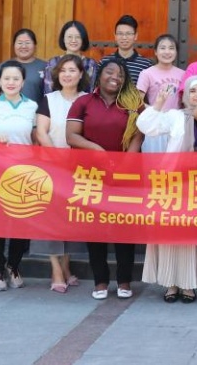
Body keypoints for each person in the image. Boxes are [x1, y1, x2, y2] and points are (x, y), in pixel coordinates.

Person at [66, 59, 144, 300]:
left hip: (125, 173)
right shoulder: (83, 102)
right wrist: (97, 150)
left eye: (120, 74)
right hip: (92, 175)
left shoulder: (133, 103)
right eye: (110, 72)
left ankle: (124, 280)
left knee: (125, 227)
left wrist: (128, 160)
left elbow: (140, 132)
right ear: (99, 75)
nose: (115, 77)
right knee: (95, 228)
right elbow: (72, 136)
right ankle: (100, 280)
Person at [137, 76, 197, 303]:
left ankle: (188, 284)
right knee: (169, 233)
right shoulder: (175, 116)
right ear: (184, 95)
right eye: (193, 90)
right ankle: (170, 283)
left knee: (191, 235)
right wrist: (159, 103)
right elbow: (146, 126)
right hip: (172, 182)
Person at [0, 61, 38, 292]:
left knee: (21, 221)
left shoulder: (31, 106)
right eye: (6, 79)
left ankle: (14, 266)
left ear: (23, 82)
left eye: (16, 79)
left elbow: (35, 139)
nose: (11, 82)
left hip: (24, 172)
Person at [33, 53, 89, 293]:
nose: (67, 74)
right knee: (52, 220)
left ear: (81, 74)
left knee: (71, 220)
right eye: (63, 70)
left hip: (79, 169)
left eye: (72, 70)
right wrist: (57, 157)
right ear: (57, 75)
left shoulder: (88, 99)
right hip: (52, 166)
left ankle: (66, 266)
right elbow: (41, 132)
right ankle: (55, 269)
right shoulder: (49, 99)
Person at [0, 28, 46, 102]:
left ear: (35, 45)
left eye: (27, 43)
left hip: (34, 109)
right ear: (14, 45)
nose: (24, 46)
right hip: (7, 108)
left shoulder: (45, 67)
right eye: (20, 43)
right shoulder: (4, 66)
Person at [43, 21, 98, 94]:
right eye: (69, 37)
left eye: (78, 37)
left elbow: (92, 90)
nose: (73, 40)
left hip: (84, 101)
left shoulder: (90, 64)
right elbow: (48, 90)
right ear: (63, 39)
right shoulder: (54, 63)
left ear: (83, 39)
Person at [100, 14, 153, 86]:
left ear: (135, 36)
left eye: (128, 34)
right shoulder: (104, 62)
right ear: (115, 36)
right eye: (120, 33)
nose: (124, 37)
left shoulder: (146, 64)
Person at [136, 34, 185, 110]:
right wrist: (153, 111)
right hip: (155, 116)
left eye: (171, 48)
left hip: (176, 117)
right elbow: (138, 102)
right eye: (162, 48)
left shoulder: (183, 74)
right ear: (155, 52)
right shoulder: (146, 73)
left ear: (176, 52)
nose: (167, 52)